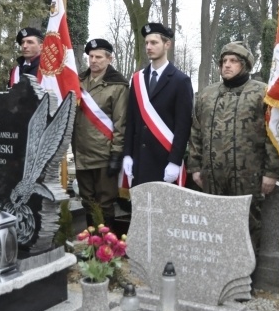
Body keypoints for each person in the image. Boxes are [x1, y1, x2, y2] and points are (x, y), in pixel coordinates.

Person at [189, 42, 279, 259]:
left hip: (247, 176)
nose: (227, 66)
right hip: (212, 176)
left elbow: (275, 136)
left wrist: (271, 173)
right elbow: (196, 132)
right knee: (213, 224)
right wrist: (195, 167)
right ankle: (216, 272)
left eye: (233, 61)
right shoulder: (207, 94)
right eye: (224, 61)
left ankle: (244, 278)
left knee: (246, 225)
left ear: (245, 65)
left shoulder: (263, 93)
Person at [122, 23, 193, 186]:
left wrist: (175, 161)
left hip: (164, 160)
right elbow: (131, 119)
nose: (148, 47)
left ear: (167, 44)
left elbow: (183, 126)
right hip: (139, 160)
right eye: (147, 43)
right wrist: (127, 154)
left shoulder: (180, 81)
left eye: (154, 43)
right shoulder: (138, 79)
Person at [73, 38, 129, 227]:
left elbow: (121, 123)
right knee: (87, 201)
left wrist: (116, 154)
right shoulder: (77, 81)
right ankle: (91, 247)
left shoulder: (118, 85)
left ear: (109, 59)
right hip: (81, 153)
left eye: (99, 57)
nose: (94, 60)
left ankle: (107, 250)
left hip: (104, 155)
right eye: (91, 56)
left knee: (105, 203)